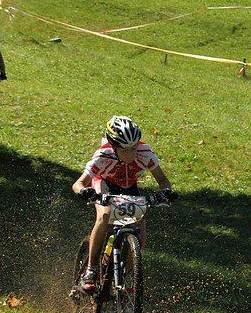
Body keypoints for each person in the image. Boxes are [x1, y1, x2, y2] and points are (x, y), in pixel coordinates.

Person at [71, 116, 174, 294]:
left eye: (133, 148)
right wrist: (84, 191)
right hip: (104, 185)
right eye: (125, 150)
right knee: (104, 215)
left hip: (129, 188)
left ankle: (123, 275)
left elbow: (163, 181)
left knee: (140, 232)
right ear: (113, 146)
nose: (131, 154)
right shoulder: (103, 156)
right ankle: (91, 271)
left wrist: (166, 193)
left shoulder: (145, 153)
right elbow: (78, 183)